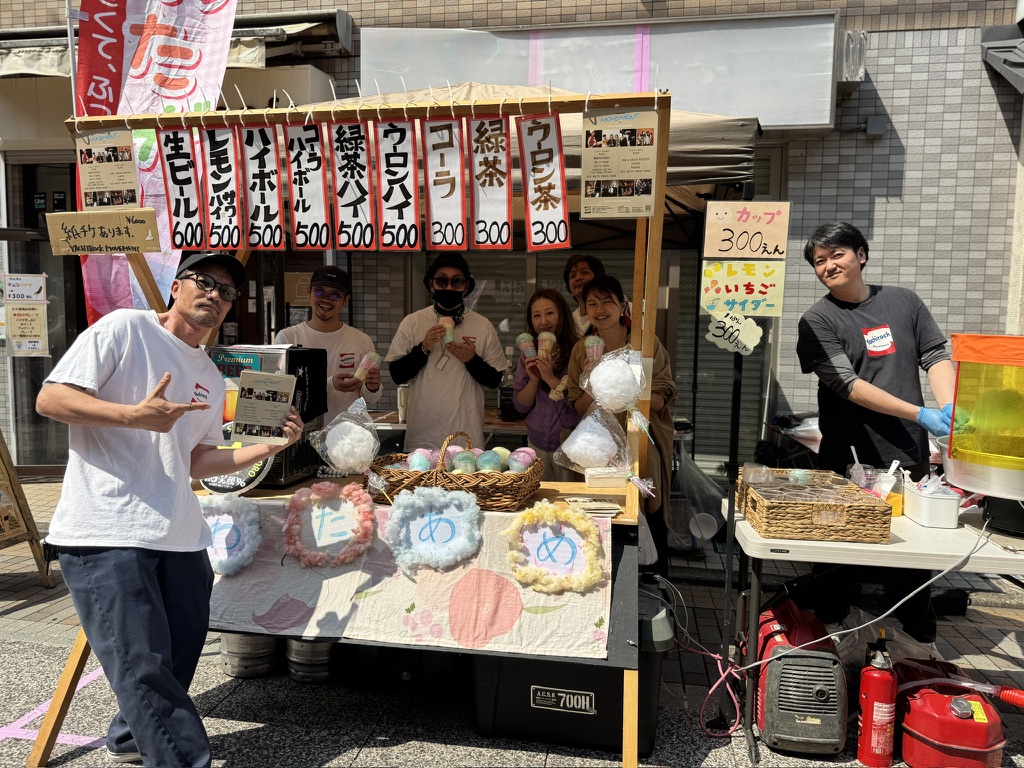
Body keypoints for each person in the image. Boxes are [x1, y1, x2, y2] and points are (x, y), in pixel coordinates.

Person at [36, 252, 303, 768]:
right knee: (143, 665)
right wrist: (133, 415)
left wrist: (265, 449)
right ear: (178, 287)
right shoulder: (125, 328)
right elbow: (51, 399)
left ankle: (130, 737)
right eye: (205, 283)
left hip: (179, 533)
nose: (216, 296)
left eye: (227, 293)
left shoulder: (206, 369)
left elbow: (197, 459)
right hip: (106, 530)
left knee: (178, 654)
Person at [794, 221, 957, 641]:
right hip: (846, 461)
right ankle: (828, 651)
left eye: (837, 255)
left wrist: (950, 405)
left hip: (908, 458)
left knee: (912, 567)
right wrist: (921, 412)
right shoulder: (817, 319)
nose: (828, 265)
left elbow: (935, 354)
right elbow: (847, 384)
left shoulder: (904, 302)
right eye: (819, 261)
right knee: (836, 564)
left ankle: (920, 652)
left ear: (861, 255)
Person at [566, 275, 676, 575]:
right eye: (591, 303)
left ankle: (653, 582)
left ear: (621, 304)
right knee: (604, 513)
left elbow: (661, 398)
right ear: (585, 310)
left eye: (606, 301)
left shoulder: (644, 341)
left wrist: (630, 389)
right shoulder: (581, 351)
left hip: (641, 441)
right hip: (600, 447)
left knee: (647, 504)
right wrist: (591, 379)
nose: (599, 309)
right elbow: (578, 406)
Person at [385, 253, 507, 450]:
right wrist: (423, 348)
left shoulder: (482, 325)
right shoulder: (412, 322)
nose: (449, 287)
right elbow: (397, 374)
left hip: (466, 433)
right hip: (423, 436)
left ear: (466, 287)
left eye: (456, 281)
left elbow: (494, 380)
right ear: (432, 285)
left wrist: (471, 360)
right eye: (442, 281)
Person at [274, 266, 382, 424]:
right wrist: (331, 384)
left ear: (346, 300)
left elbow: (370, 398)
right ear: (308, 292)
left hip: (345, 436)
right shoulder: (287, 338)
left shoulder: (361, 340)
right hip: (298, 436)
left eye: (335, 295)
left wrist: (373, 386)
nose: (325, 299)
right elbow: (278, 389)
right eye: (319, 291)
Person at [512, 289, 582, 481]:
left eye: (550, 313)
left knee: (567, 506)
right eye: (536, 316)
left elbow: (583, 405)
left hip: (570, 447)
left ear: (562, 315)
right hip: (536, 444)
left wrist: (551, 378)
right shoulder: (527, 354)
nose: (543, 321)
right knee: (538, 505)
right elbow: (520, 406)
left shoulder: (578, 351)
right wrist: (534, 380)